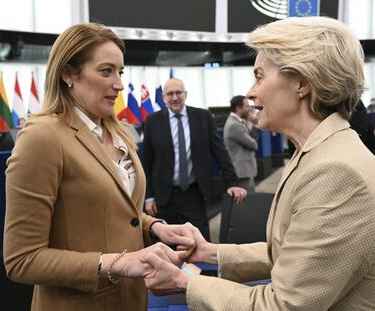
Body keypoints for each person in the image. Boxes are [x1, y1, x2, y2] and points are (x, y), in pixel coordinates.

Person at [141, 17, 375, 310]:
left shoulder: (335, 172)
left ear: (301, 82)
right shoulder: (321, 153)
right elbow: (292, 253)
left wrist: (185, 282)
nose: (251, 92)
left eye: (260, 76)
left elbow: (283, 305)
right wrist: (209, 252)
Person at [3, 23, 196, 311]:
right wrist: (120, 262)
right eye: (106, 71)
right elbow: (22, 260)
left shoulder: (119, 133)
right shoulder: (42, 137)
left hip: (131, 301)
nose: (118, 83)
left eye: (121, 72)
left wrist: (155, 228)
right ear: (69, 73)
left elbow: (113, 211)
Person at [142, 78, 247, 241]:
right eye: (170, 94)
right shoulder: (152, 121)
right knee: (166, 247)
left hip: (193, 193)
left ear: (186, 94)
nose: (175, 97)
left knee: (200, 242)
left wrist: (232, 182)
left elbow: (220, 152)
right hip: (163, 197)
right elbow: (146, 162)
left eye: (179, 93)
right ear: (163, 97)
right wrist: (148, 197)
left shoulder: (203, 117)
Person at [223, 95, 259, 192]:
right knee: (247, 204)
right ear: (238, 108)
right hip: (242, 171)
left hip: (245, 171)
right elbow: (253, 144)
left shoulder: (238, 122)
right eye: (247, 106)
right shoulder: (234, 125)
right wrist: (255, 124)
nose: (249, 109)